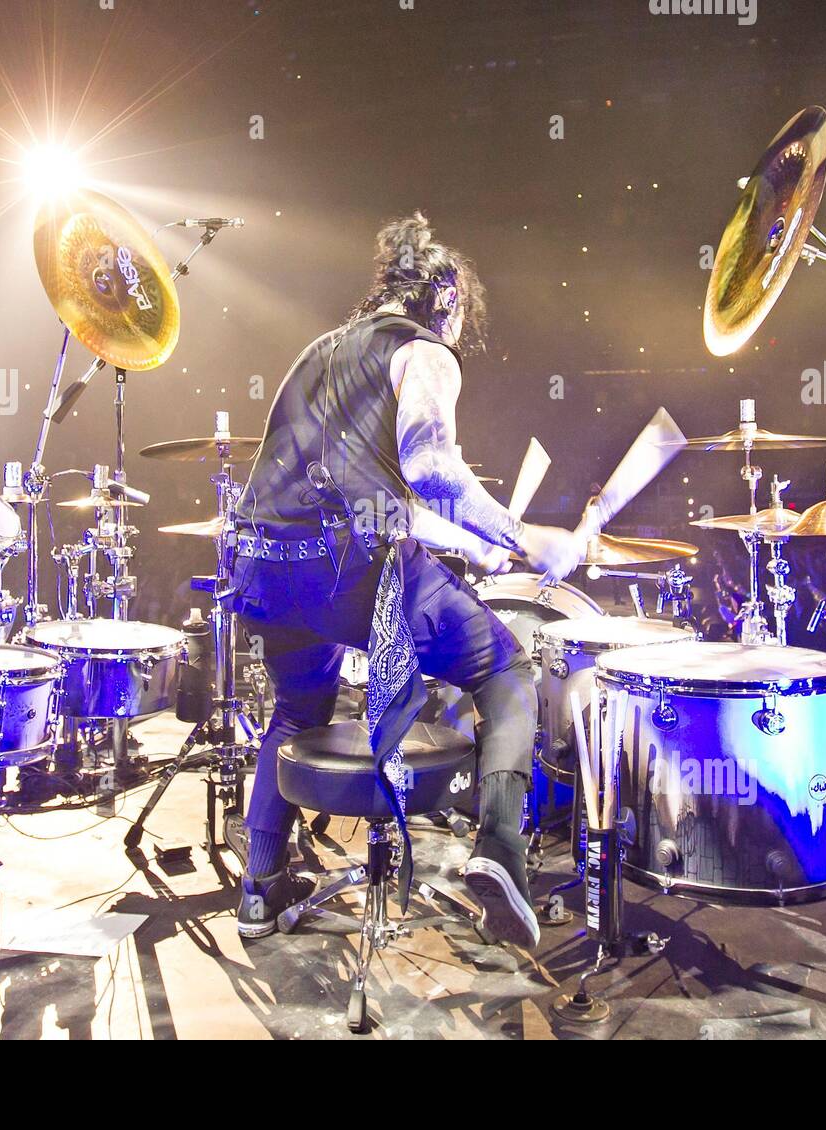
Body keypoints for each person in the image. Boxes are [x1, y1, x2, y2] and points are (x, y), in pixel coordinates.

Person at [230, 213, 584, 945]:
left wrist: (466, 539)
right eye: (459, 313)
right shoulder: (423, 351)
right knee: (506, 669)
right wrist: (524, 536)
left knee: (298, 712)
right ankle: (501, 854)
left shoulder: (318, 353)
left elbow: (368, 490)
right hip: (347, 572)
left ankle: (259, 891)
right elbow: (427, 467)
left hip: (262, 568)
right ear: (447, 299)